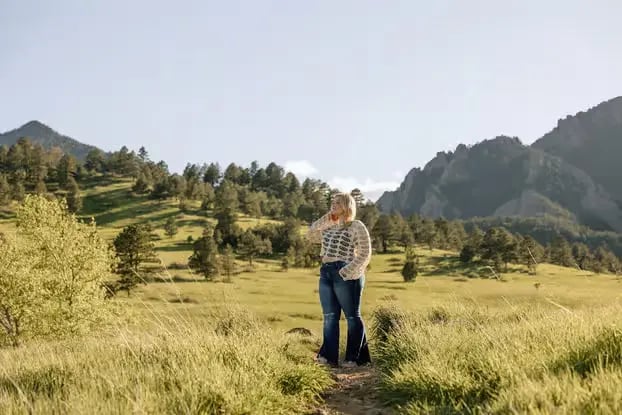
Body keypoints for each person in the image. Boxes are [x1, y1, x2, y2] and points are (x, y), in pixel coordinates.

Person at [306, 192, 372, 368]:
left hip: (347, 273)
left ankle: (354, 358)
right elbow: (311, 234)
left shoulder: (356, 226)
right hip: (326, 272)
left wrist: (347, 270)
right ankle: (328, 357)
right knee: (329, 316)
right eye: (332, 202)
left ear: (347, 205)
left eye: (337, 203)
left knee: (352, 317)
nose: (332, 205)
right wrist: (328, 217)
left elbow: (365, 252)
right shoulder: (329, 227)